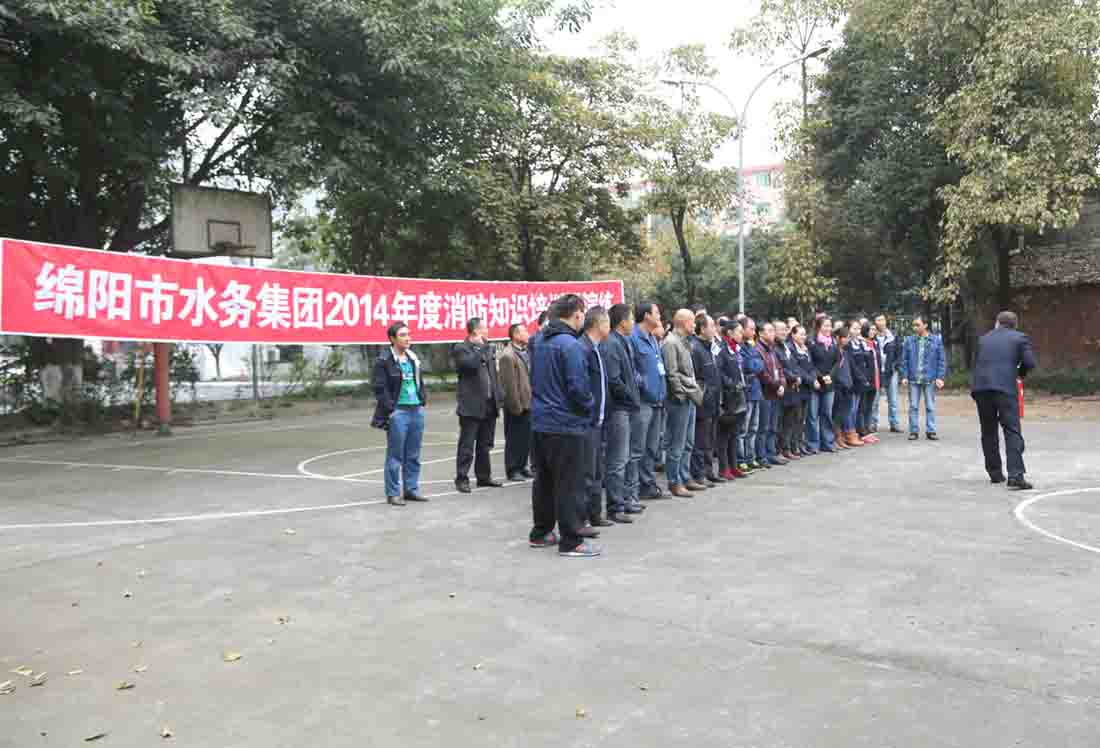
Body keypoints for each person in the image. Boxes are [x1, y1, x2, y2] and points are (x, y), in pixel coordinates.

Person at [528, 294, 600, 557]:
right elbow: (578, 388)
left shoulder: (538, 341)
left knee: (544, 481)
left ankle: (541, 532)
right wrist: (590, 406)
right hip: (566, 424)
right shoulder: (571, 346)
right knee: (570, 484)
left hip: (540, 422)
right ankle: (571, 541)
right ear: (577, 313)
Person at [972, 311, 1037, 490]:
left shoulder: (983, 339)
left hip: (981, 388)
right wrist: (1019, 373)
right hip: (1005, 388)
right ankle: (1015, 475)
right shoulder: (1020, 338)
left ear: (997, 323)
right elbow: (1029, 362)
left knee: (988, 430)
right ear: (1015, 325)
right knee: (1011, 430)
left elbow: (977, 362)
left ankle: (995, 473)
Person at [371, 322, 428, 506]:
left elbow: (419, 382)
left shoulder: (412, 357)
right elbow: (380, 389)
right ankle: (393, 493)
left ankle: (411, 489)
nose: (408, 338)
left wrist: (422, 401)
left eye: (408, 334)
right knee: (395, 455)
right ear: (392, 339)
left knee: (413, 454)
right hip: (399, 412)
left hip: (416, 410)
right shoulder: (384, 360)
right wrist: (392, 410)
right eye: (403, 335)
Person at [451, 318, 505, 493]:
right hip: (471, 405)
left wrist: (499, 397)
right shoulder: (461, 348)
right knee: (467, 445)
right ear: (476, 331)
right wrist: (481, 348)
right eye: (484, 328)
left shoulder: (488, 348)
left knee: (485, 444)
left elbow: (493, 374)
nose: (488, 331)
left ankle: (483, 477)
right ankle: (462, 478)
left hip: (489, 403)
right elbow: (470, 366)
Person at [603, 303, 642, 522]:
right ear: (622, 321)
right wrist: (631, 397)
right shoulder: (611, 344)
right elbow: (614, 380)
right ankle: (615, 506)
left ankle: (625, 500)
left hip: (626, 407)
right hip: (618, 409)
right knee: (617, 460)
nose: (633, 323)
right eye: (631, 319)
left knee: (625, 457)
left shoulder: (622, 341)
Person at [661, 309, 705, 497]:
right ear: (684, 322)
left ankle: (685, 477)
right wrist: (680, 394)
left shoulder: (684, 342)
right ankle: (674, 481)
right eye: (692, 322)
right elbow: (671, 374)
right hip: (679, 400)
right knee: (676, 444)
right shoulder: (670, 342)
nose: (694, 325)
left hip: (689, 397)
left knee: (688, 442)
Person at [578, 307, 613, 531]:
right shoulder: (583, 348)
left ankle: (595, 513)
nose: (609, 327)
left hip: (599, 420)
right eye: (607, 323)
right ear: (598, 324)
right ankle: (581, 518)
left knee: (598, 470)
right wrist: (590, 410)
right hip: (588, 421)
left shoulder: (597, 348)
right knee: (586, 472)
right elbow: (581, 386)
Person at [629, 301, 667, 502]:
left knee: (652, 448)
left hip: (657, 401)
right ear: (646, 316)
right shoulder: (633, 338)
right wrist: (644, 385)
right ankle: (632, 491)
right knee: (637, 448)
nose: (659, 316)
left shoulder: (652, 338)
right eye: (657, 312)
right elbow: (631, 369)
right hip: (643, 402)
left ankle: (648, 485)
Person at [900, 315, 946, 441]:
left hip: (929, 378)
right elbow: (904, 360)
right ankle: (913, 431)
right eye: (914, 325)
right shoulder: (909, 340)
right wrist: (904, 376)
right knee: (913, 406)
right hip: (913, 379)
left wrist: (940, 377)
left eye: (917, 325)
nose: (915, 327)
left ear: (925, 325)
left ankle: (931, 430)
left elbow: (941, 360)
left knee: (930, 406)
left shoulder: (936, 340)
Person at [690, 314, 723, 485]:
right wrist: (703, 395)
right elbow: (695, 378)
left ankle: (709, 471)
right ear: (702, 329)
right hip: (703, 401)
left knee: (710, 439)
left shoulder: (711, 347)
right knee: (700, 441)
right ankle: (699, 473)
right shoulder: (695, 348)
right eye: (711, 326)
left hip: (714, 400)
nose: (715, 329)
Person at [498, 323, 533, 481]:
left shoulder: (525, 351)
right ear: (515, 335)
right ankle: (513, 469)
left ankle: (522, 466)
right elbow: (509, 385)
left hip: (527, 403)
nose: (527, 334)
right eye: (524, 331)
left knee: (525, 438)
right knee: (514, 439)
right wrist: (516, 406)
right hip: (516, 404)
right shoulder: (508, 355)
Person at [717, 319, 750, 480]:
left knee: (735, 434)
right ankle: (724, 468)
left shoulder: (737, 349)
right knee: (724, 435)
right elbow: (719, 372)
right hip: (728, 397)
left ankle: (733, 466)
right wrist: (731, 384)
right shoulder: (721, 350)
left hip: (739, 395)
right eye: (739, 331)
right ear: (729, 333)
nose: (741, 334)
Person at [755, 322, 787, 466]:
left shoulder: (772, 349)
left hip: (775, 392)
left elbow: (779, 369)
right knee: (764, 426)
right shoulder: (758, 349)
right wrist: (776, 385)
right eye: (769, 331)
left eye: (773, 330)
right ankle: (761, 456)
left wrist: (782, 384)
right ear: (761, 333)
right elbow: (763, 373)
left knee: (773, 426)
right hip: (765, 392)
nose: (773, 333)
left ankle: (771, 452)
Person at [784, 324, 817, 458]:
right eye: (801, 334)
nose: (804, 337)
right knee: (794, 419)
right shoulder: (790, 348)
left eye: (805, 334)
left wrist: (814, 378)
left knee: (802, 419)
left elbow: (811, 366)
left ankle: (799, 444)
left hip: (807, 388)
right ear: (793, 335)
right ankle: (792, 446)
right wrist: (810, 380)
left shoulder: (805, 348)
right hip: (797, 387)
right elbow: (797, 368)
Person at [808, 316, 838, 453]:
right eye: (825, 325)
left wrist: (830, 376)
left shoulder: (833, 343)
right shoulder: (812, 342)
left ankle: (828, 442)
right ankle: (813, 444)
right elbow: (810, 363)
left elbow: (837, 362)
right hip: (816, 383)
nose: (828, 328)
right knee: (813, 415)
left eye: (830, 326)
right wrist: (820, 377)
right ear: (819, 327)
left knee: (827, 414)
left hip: (829, 383)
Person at [740, 317, 765, 470]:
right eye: (751, 329)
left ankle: (751, 457)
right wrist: (755, 364)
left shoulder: (751, 346)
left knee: (753, 428)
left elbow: (760, 365)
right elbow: (749, 366)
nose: (754, 332)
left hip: (756, 391)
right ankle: (741, 459)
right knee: (743, 429)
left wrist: (755, 364)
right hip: (747, 392)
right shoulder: (740, 348)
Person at [844, 319, 872, 447]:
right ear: (848, 329)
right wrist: (860, 377)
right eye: (854, 328)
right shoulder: (847, 344)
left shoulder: (860, 343)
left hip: (860, 380)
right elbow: (852, 364)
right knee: (850, 409)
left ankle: (853, 432)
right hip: (852, 380)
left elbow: (866, 359)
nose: (857, 331)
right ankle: (849, 433)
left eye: (858, 328)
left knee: (856, 409)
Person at [873, 314, 902, 433]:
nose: (880, 322)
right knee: (874, 399)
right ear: (875, 322)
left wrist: (895, 366)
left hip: (891, 371)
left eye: (882, 320)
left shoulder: (893, 336)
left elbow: (899, 353)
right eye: (878, 320)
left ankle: (894, 423)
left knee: (893, 399)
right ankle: (873, 424)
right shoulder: (872, 336)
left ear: (886, 321)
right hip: (876, 372)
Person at [830, 326, 858, 448]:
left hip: (847, 386)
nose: (847, 340)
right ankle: (837, 437)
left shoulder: (846, 352)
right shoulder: (834, 351)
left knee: (844, 413)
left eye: (848, 338)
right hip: (838, 386)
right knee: (837, 413)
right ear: (838, 338)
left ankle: (842, 436)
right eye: (845, 338)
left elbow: (851, 369)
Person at [857, 321, 881, 444]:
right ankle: (862, 432)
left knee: (870, 407)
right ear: (865, 330)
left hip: (875, 379)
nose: (873, 331)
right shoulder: (861, 343)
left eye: (874, 329)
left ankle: (868, 430)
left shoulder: (875, 343)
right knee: (862, 407)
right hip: (866, 380)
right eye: (870, 329)